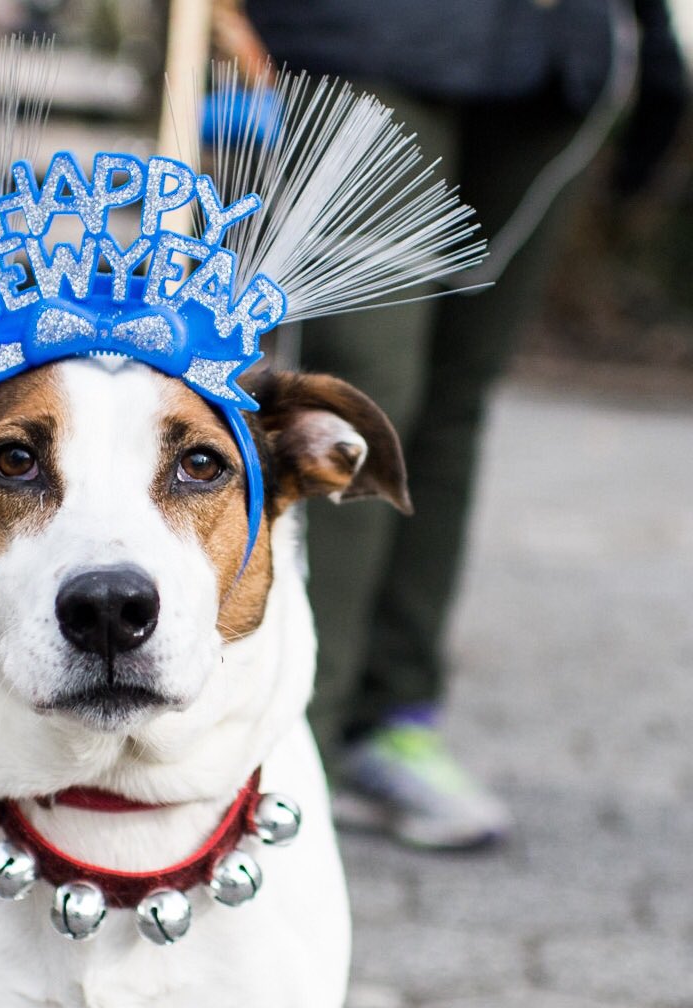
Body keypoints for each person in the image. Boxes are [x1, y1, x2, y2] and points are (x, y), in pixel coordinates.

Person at [216, 0, 687, 849]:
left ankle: (391, 718)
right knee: (359, 396)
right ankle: (289, 740)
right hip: (375, 38)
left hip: (554, 60)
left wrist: (653, 56)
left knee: (455, 399)